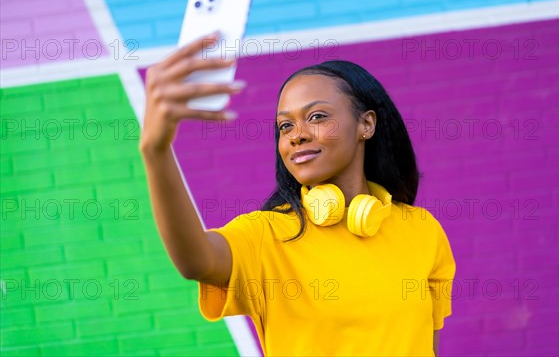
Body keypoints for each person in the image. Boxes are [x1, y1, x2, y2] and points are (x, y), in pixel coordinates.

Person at [139, 33, 456, 356]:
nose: (296, 136)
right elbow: (196, 262)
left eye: (317, 117)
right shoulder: (266, 236)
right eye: (285, 126)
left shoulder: (423, 231)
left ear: (366, 124)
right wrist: (156, 150)